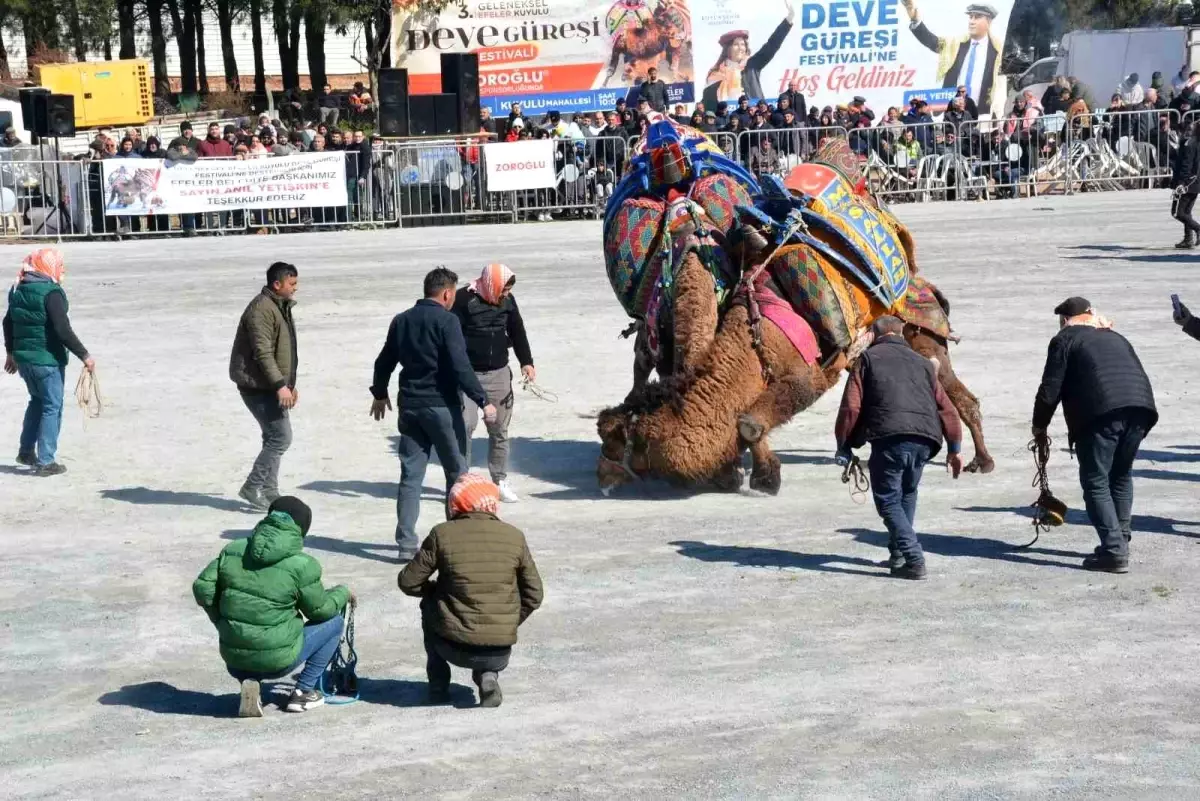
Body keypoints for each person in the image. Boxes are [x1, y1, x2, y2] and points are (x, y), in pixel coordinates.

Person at [370, 268, 497, 561]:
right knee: (458, 475)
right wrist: (482, 399)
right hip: (442, 407)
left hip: (410, 407)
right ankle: (457, 540)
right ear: (447, 293)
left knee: (411, 477)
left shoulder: (401, 320)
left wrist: (379, 393)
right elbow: (460, 365)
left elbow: (384, 361)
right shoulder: (447, 321)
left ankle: (405, 544)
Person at [193, 495, 354, 716]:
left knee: (251, 638)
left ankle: (251, 682)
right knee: (333, 622)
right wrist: (342, 593)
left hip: (234, 659)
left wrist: (222, 621)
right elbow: (320, 611)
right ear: (301, 530)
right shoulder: (302, 565)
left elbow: (202, 588)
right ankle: (303, 692)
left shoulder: (233, 550)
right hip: (278, 663)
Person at [1032, 297, 1157, 574]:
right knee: (1121, 475)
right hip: (1141, 407)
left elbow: (1049, 390)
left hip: (1101, 413)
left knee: (1095, 481)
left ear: (1065, 320)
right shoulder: (1115, 336)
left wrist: (1039, 427)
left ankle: (1114, 551)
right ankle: (1119, 542)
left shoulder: (1064, 340)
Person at [834, 315, 963, 580]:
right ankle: (898, 554)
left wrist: (844, 445)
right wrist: (955, 447)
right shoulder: (924, 364)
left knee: (888, 500)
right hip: (926, 440)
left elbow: (852, 407)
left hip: (890, 438)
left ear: (873, 334)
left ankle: (914, 557)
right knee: (907, 492)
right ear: (902, 333)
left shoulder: (867, 360)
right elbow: (947, 409)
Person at [399, 473, 543, 708]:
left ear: (455, 503)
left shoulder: (442, 533)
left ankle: (438, 684)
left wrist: (434, 591)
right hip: (499, 651)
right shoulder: (514, 536)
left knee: (428, 604)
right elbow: (534, 594)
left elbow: (408, 581)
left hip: (452, 645)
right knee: (486, 612)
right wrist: (507, 621)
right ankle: (488, 675)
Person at [3, 249, 94, 475]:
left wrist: (11, 353)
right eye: (60, 266)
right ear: (47, 267)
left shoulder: (18, 288)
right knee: (52, 406)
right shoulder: (51, 293)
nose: (62, 270)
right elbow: (62, 330)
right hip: (47, 360)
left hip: (24, 361)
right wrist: (85, 355)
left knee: (36, 401)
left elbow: (7, 323)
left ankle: (26, 451)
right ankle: (46, 460)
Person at [451, 264, 535, 502]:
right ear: (491, 284)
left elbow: (518, 331)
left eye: (508, 290)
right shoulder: (462, 299)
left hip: (498, 374)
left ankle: (499, 481)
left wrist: (526, 362)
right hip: (468, 376)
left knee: (499, 430)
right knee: (465, 427)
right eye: (503, 290)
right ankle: (461, 480)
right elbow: (450, 336)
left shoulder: (508, 302)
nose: (506, 294)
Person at [229, 263, 299, 510]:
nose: (295, 289)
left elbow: (284, 350)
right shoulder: (261, 309)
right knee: (281, 437)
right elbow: (263, 352)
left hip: (271, 384)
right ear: (276, 284)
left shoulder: (278, 306)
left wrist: (289, 384)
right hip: (258, 386)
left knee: (272, 437)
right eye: (292, 284)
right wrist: (280, 385)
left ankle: (270, 491)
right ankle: (253, 486)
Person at [903, 1, 1001, 115]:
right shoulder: (955, 44)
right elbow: (932, 41)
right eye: (971, 17)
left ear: (989, 21)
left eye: (977, 17)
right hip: (953, 112)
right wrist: (915, 19)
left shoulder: (997, 51)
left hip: (982, 113)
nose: (972, 21)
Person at [703, 0, 795, 109]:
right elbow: (709, 103)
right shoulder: (715, 74)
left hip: (754, 115)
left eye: (743, 44)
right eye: (736, 44)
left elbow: (772, 45)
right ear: (728, 49)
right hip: (729, 119)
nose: (740, 48)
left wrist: (788, 20)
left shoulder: (751, 66)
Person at [1173, 120, 1200, 248]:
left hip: (1188, 182)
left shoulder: (1189, 144)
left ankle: (1197, 229)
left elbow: (1186, 165)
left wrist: (1181, 182)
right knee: (1187, 212)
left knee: (1178, 212)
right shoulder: (1195, 142)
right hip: (1194, 182)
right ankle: (1188, 238)